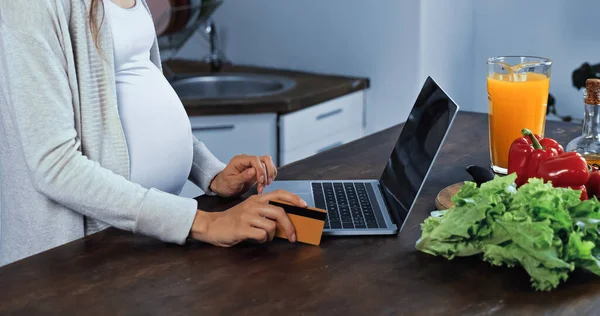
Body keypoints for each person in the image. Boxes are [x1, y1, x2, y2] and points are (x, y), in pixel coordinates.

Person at [0, 0, 306, 267]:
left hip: (138, 241)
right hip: (75, 259)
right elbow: (55, 166)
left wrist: (211, 174)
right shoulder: (31, 5)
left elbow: (142, 91)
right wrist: (204, 222)